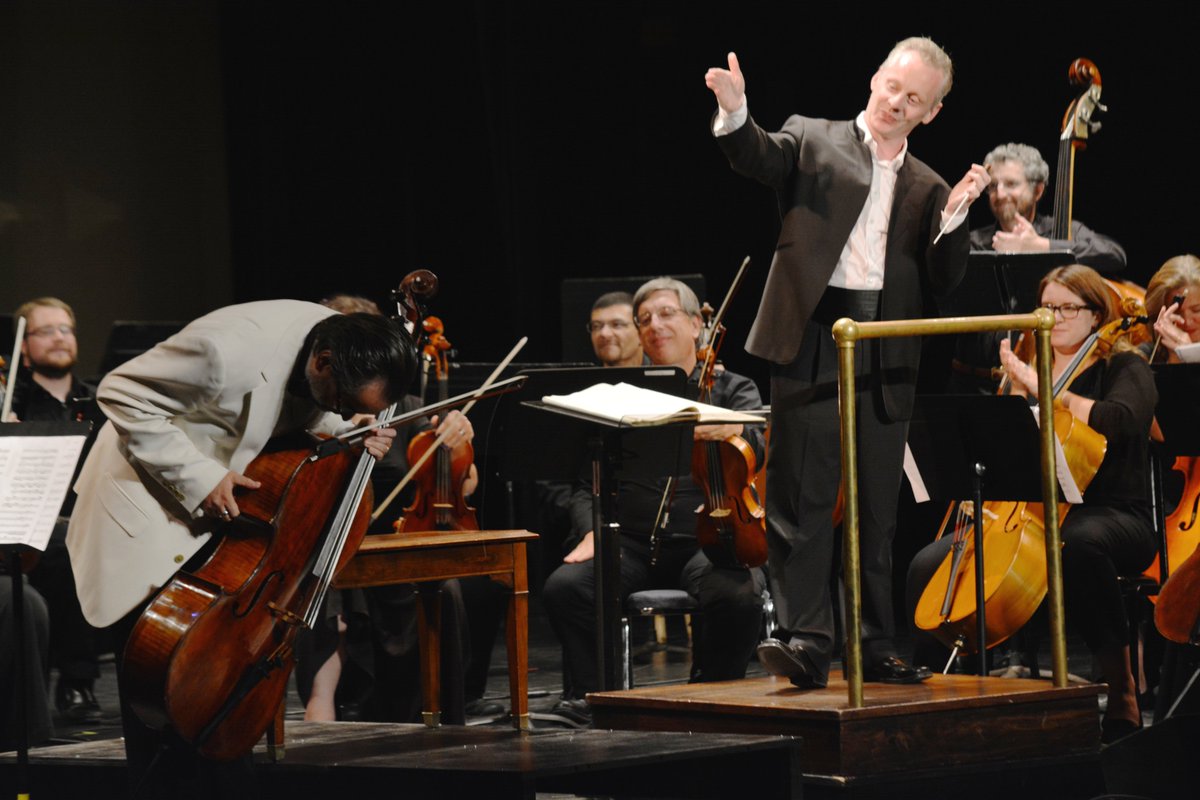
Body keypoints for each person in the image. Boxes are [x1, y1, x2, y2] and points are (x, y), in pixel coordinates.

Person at [705, 38, 989, 687]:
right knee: (801, 498)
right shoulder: (813, 138)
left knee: (875, 510)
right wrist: (737, 113)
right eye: (892, 85)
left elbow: (943, 281)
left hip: (884, 349)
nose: (896, 102)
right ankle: (807, 640)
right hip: (811, 334)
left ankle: (874, 644)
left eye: (913, 98)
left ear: (931, 112)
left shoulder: (929, 185)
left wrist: (953, 221)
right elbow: (759, 156)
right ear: (875, 78)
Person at [66, 300, 413, 798]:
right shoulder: (225, 352)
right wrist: (201, 478)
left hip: (224, 519)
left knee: (219, 699)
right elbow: (120, 392)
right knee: (163, 703)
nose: (340, 412)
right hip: (148, 505)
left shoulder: (333, 349)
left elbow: (310, 414)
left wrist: (351, 432)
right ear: (323, 362)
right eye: (342, 402)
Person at [908, 264, 1156, 744]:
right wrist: (1014, 398)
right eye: (1046, 307)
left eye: (1067, 308)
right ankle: (940, 697)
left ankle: (1122, 689)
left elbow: (1122, 421)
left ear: (1096, 314)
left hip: (1115, 514)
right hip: (1029, 518)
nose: (1054, 317)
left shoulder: (1125, 367)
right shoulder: (1027, 365)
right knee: (926, 565)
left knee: (1079, 547)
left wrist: (1043, 389)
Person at [542, 277, 766, 725]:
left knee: (738, 594)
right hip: (631, 541)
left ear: (696, 324)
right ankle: (594, 697)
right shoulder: (625, 394)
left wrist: (733, 427)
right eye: (644, 319)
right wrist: (591, 530)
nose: (655, 325)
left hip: (707, 537)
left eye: (666, 314)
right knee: (567, 588)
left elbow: (758, 446)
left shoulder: (732, 388)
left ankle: (712, 697)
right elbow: (586, 483)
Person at [8, 297, 108, 723]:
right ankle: (77, 681)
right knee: (66, 545)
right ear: (23, 345)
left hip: (97, 518)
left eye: (65, 329)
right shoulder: (12, 402)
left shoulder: (100, 401)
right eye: (45, 330)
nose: (59, 338)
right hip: (35, 522)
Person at [970, 143, 1126, 274]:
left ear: (1037, 191)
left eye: (1011, 184)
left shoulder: (1064, 230)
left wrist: (1041, 246)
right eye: (993, 185)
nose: (1000, 194)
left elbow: (1114, 255)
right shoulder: (976, 243)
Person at [1145, 254, 1200, 363]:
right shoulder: (1143, 356)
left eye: (1197, 310)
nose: (1187, 322)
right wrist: (1175, 358)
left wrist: (1190, 355)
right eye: (1177, 313)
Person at [588, 291, 644, 367]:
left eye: (616, 325)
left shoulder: (659, 372)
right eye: (596, 326)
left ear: (641, 332)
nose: (604, 333)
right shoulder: (580, 374)